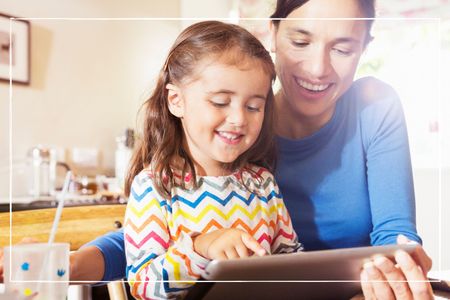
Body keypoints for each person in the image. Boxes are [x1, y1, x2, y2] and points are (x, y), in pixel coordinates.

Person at [0, 0, 434, 298]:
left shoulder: (366, 111)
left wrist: (400, 270)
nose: (318, 68)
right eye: (301, 41)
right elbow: (144, 242)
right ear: (273, 31)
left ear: (364, 49)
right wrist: (72, 263)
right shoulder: (230, 143)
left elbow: (394, 238)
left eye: (343, 48)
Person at [124, 20, 302, 299]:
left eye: (254, 106)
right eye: (220, 102)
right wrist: (199, 248)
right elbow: (143, 286)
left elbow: (291, 259)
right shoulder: (154, 186)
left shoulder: (262, 184)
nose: (239, 119)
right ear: (176, 100)